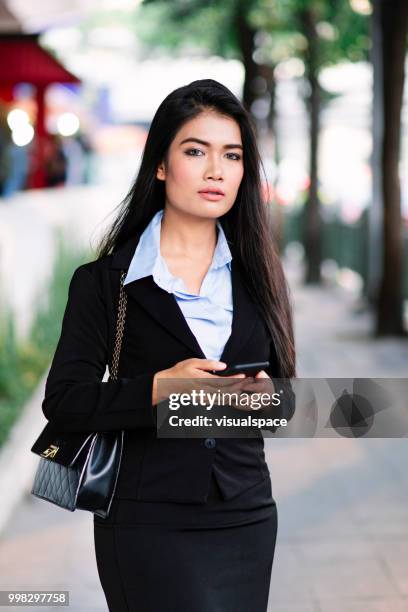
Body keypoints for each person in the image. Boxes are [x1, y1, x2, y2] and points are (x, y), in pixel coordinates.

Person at [41, 79, 296, 612]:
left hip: (245, 514)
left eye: (232, 155)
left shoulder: (262, 277)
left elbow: (283, 402)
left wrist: (265, 397)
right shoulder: (105, 282)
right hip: (145, 521)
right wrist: (157, 389)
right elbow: (64, 400)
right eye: (195, 151)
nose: (215, 170)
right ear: (161, 164)